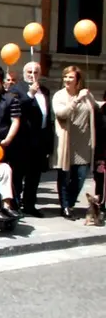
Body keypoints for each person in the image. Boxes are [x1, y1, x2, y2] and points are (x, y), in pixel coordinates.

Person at [51, 66, 97, 219]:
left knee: (81, 175)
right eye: (65, 77)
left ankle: (70, 202)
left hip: (83, 142)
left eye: (71, 77)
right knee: (64, 176)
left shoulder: (86, 94)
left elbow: (96, 108)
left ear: (78, 80)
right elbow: (61, 114)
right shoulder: (59, 95)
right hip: (66, 141)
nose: (67, 80)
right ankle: (65, 206)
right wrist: (76, 100)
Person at [8, 62, 53, 217]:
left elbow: (47, 117)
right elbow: (16, 108)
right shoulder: (16, 89)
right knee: (18, 175)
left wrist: (49, 144)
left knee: (34, 176)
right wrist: (29, 95)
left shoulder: (45, 91)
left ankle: (29, 205)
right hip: (22, 141)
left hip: (39, 141)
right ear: (24, 72)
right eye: (29, 71)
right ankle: (14, 204)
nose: (32, 74)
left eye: (35, 71)